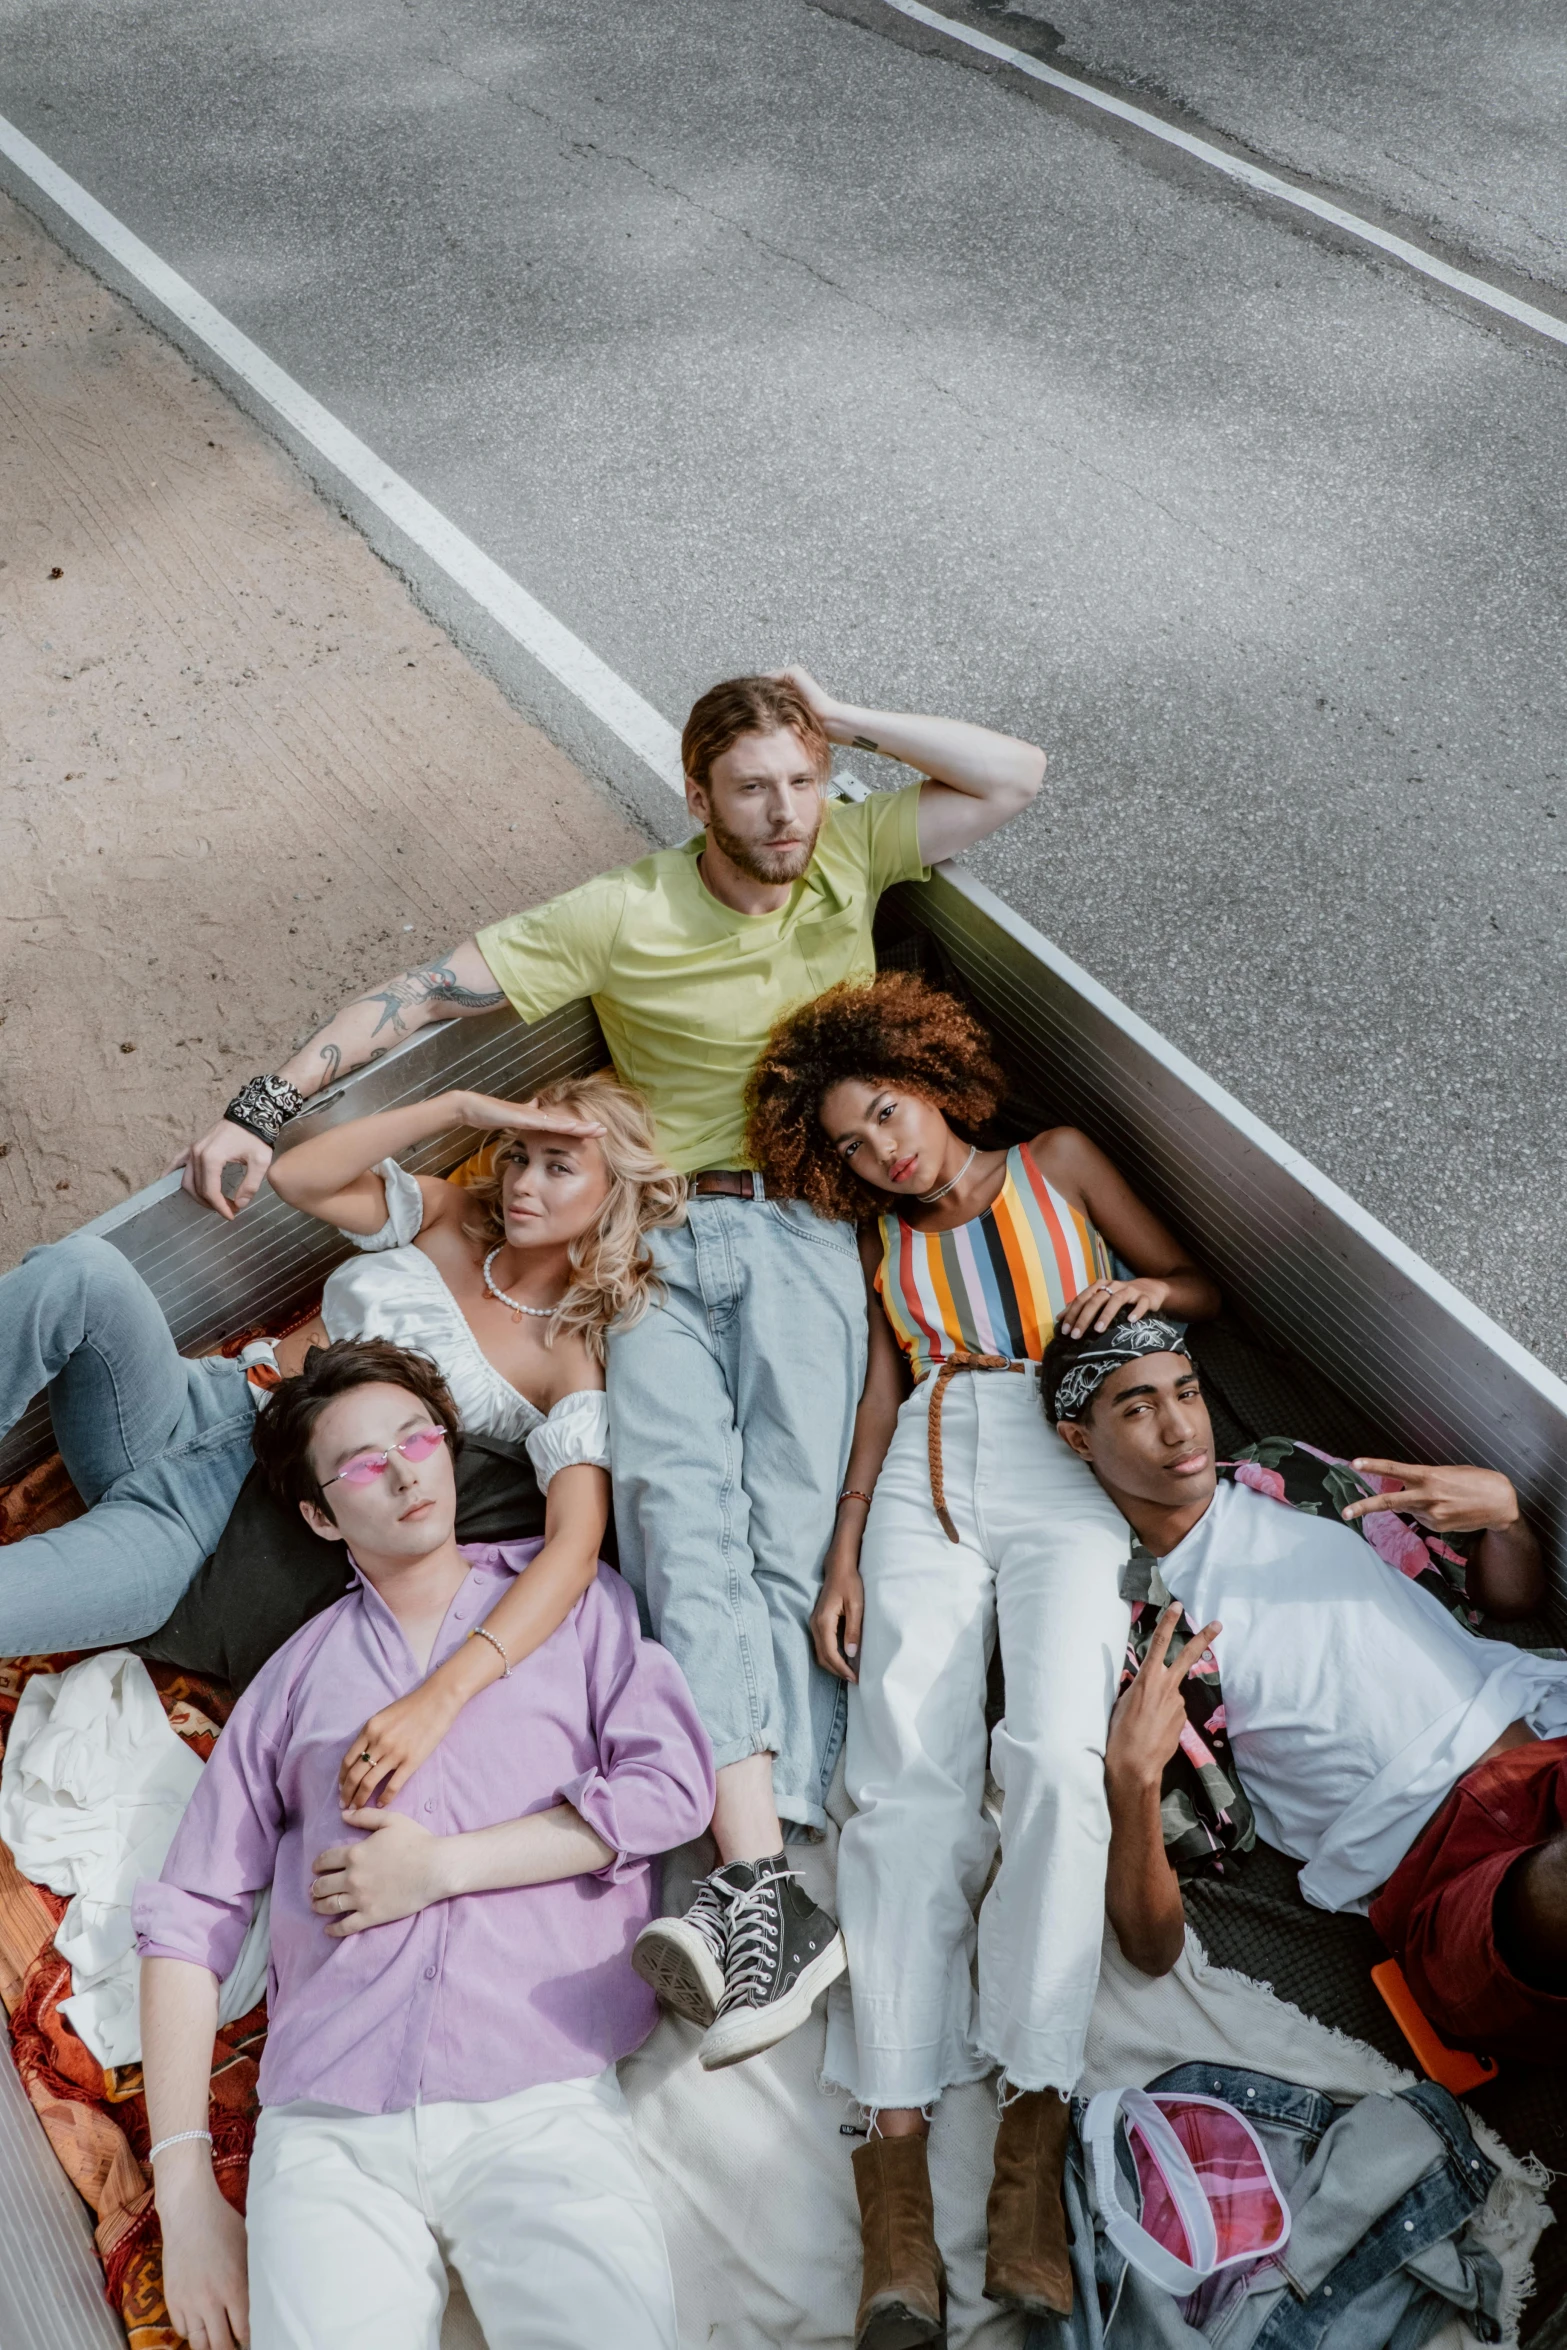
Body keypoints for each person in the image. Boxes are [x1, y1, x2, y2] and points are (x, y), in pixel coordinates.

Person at [176, 667, 1044, 2066]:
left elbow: (1012, 773)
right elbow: (417, 999)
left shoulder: (848, 850)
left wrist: (845, 716)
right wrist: (257, 1105)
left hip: (808, 1235)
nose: (782, 813)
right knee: (676, 1530)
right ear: (692, 794)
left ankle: (783, 1875)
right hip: (654, 1240)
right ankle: (762, 1885)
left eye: (801, 780)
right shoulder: (621, 911)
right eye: (751, 786)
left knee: (779, 1532)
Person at [741, 972, 1219, 2342]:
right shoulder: (881, 1245)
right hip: (925, 1469)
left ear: (929, 1082)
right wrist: (842, 1549)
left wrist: (1145, 1289)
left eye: (885, 1112)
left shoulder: (1051, 1165)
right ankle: (892, 2175)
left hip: (1063, 1453)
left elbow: (1199, 1281)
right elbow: (886, 1394)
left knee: (1059, 1764)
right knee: (897, 1779)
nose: (881, 1149)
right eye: (848, 1141)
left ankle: (1030, 2127)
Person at [132, 1338, 714, 2350]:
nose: (404, 1471)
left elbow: (671, 1787)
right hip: (328, 2123)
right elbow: (189, 1917)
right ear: (319, 1514)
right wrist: (183, 2189)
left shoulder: (569, 1605)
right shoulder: (293, 1679)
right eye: (363, 1462)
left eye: (419, 1438)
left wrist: (446, 1867)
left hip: (539, 2090)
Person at [1042, 1311, 1567, 2061]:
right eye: (1136, 1407)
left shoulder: (1287, 1475)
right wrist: (1129, 1781)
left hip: (1542, 1743)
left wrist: (1505, 1521)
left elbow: (1501, 1601)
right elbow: (1150, 1947)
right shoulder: (1132, 1627)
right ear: (1079, 1440)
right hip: (1445, 1875)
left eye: (1186, 1393)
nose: (1180, 1427)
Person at [266, 1072, 681, 1809]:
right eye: (518, 1154)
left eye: (559, 1167)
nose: (523, 1182)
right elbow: (295, 1175)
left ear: (613, 1191)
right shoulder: (452, 1214)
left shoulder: (568, 1357)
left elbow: (574, 1549)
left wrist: (445, 1693)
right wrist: (457, 1106)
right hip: (228, 1391)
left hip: (296, 1493)